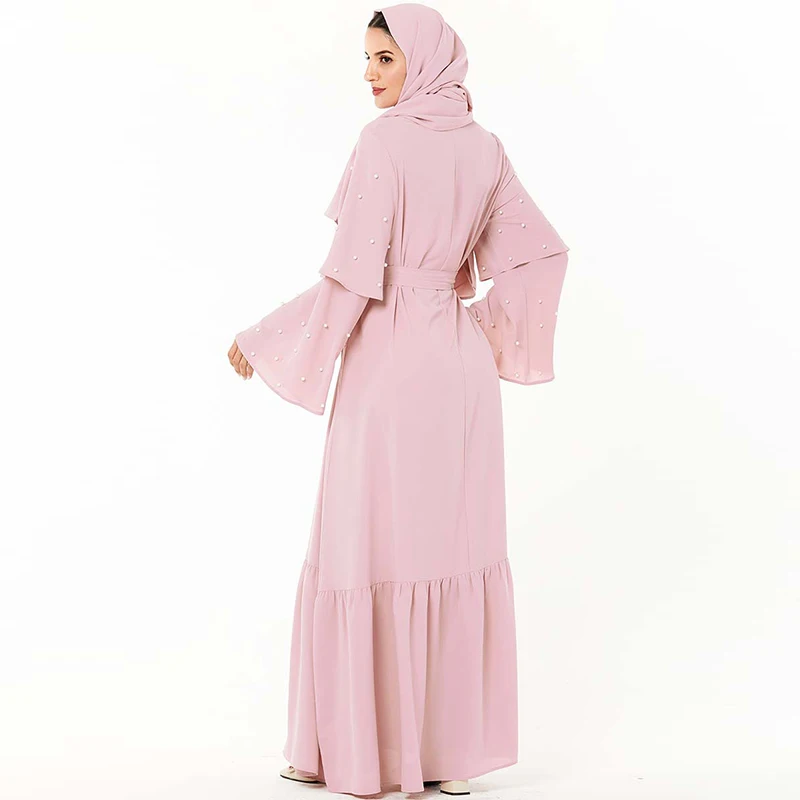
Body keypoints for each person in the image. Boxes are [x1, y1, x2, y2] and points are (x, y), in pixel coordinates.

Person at [228, 4, 569, 796]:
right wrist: (480, 330)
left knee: (363, 546)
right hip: (458, 372)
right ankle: (447, 759)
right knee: (446, 549)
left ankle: (339, 750)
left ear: (424, 58)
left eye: (385, 57)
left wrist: (267, 337)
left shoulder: (382, 142)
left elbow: (352, 278)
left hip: (388, 368)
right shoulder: (485, 149)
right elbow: (541, 256)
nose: (371, 74)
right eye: (368, 59)